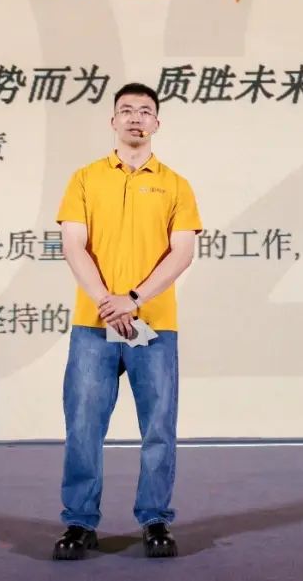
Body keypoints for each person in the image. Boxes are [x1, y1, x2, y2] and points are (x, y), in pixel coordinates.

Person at [51, 82, 202, 560]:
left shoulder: (175, 184)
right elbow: (73, 243)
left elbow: (182, 252)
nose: (136, 118)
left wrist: (134, 299)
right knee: (83, 427)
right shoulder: (85, 179)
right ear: (113, 120)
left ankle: (155, 519)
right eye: (126, 110)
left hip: (155, 326)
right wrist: (106, 301)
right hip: (92, 325)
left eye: (145, 111)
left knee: (158, 427)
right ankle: (79, 523)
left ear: (157, 122)